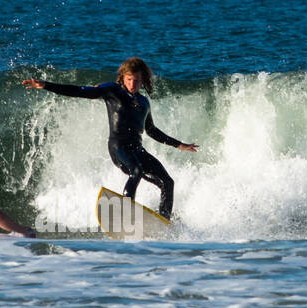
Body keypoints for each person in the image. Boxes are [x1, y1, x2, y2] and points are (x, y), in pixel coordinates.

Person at [22, 58, 196, 219]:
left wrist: (179, 145)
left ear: (142, 80)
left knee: (167, 182)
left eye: (136, 80)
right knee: (137, 171)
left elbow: (151, 130)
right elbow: (81, 91)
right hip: (118, 147)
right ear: (122, 78)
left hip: (137, 149)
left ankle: (164, 219)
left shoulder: (144, 102)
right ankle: (125, 213)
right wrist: (46, 85)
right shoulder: (112, 91)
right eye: (129, 79)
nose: (133, 84)